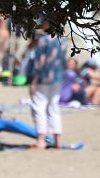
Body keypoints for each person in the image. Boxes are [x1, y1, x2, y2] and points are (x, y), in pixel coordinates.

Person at [23, 16, 66, 149]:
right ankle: (57, 140)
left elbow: (38, 63)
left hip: (43, 78)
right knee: (53, 107)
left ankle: (41, 140)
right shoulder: (63, 41)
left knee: (39, 107)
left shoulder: (43, 41)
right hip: (57, 78)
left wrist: (33, 82)